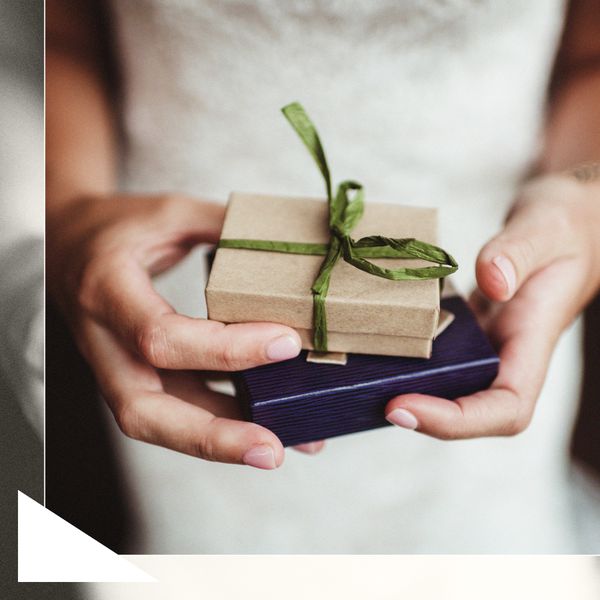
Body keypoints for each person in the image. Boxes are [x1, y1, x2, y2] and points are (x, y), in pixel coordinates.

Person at [47, 0, 600, 553]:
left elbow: (590, 59)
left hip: (497, 285)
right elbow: (59, 39)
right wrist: (71, 211)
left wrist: (586, 192)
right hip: (167, 301)